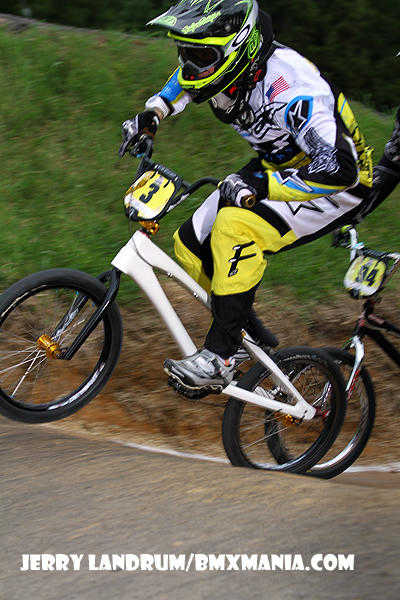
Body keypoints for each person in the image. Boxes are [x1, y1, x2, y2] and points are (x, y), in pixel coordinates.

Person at [121, 0, 381, 396]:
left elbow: (338, 168)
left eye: (200, 57)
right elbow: (187, 79)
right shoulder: (228, 67)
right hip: (279, 164)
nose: (190, 65)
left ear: (238, 48)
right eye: (186, 53)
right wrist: (152, 114)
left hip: (336, 184)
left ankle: (221, 356)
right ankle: (247, 336)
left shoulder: (293, 88)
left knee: (234, 228)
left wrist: (262, 187)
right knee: (190, 244)